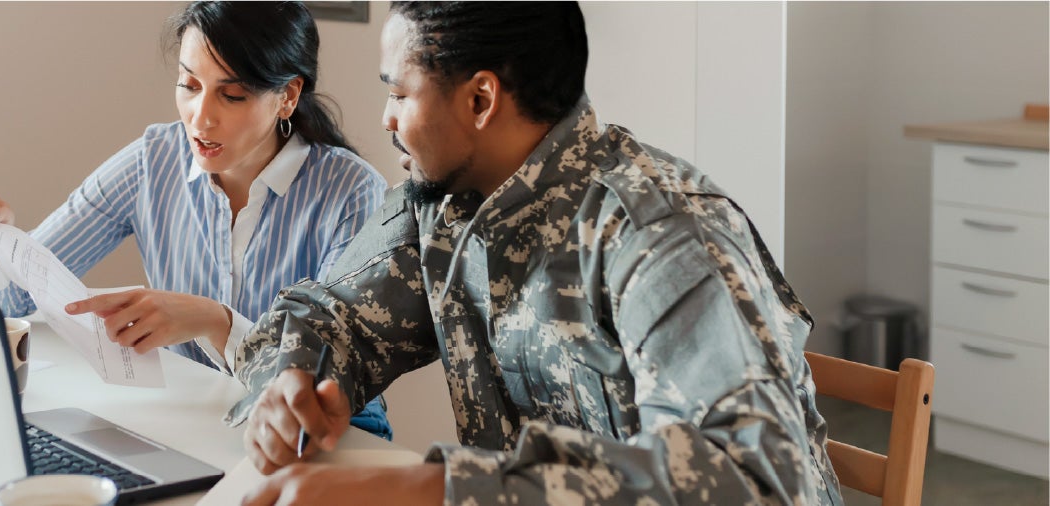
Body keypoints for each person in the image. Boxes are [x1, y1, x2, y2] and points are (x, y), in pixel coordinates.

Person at [230, 2, 843, 504]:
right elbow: (327, 318)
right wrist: (287, 383)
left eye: (399, 94)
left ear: (480, 100)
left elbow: (756, 483)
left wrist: (433, 486)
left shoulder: (664, 233)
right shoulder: (439, 206)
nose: (387, 120)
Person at [0, 1, 392, 440]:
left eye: (231, 95)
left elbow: (328, 381)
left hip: (330, 438)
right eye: (189, 84)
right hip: (201, 424)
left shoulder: (352, 192)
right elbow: (10, 308)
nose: (201, 117)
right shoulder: (153, 160)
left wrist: (216, 321)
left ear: (288, 96)